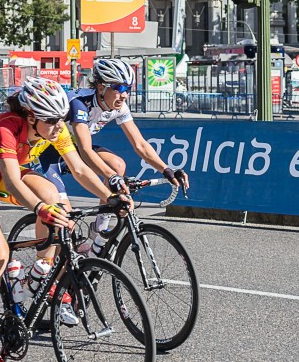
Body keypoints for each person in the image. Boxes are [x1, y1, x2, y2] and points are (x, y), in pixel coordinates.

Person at [0, 77, 116, 362]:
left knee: (55, 197)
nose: (57, 126)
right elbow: (12, 180)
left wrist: (110, 197)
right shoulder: (7, 128)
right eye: (50, 120)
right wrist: (40, 209)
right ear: (30, 117)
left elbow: (78, 168)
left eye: (60, 119)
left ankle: (39, 274)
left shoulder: (55, 128)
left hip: (0, 174)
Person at [37, 58, 189, 237]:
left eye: (128, 89)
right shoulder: (80, 103)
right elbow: (86, 151)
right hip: (50, 153)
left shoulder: (119, 107)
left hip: (72, 147)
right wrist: (112, 177)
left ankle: (99, 230)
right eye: (119, 88)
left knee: (117, 165)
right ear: (101, 87)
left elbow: (140, 144)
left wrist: (166, 170)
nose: (124, 95)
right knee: (65, 221)